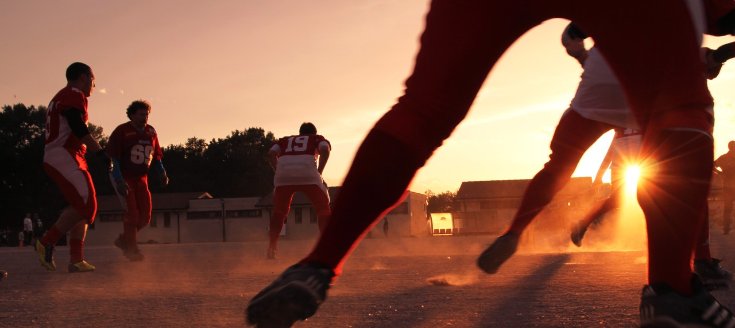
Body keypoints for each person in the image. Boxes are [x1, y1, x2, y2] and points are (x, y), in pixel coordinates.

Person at [246, 1, 735, 327]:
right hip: (629, 94)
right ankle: (674, 287)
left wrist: (583, 38)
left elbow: (572, 38)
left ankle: (317, 265)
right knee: (682, 115)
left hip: (590, 90)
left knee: (424, 110)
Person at [35, 62, 106, 273]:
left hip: (69, 154)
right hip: (63, 153)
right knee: (86, 202)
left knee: (83, 206)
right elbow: (77, 125)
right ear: (84, 77)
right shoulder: (74, 93)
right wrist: (100, 152)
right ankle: (47, 241)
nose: (94, 85)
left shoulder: (65, 96)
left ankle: (76, 259)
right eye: (93, 80)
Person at [107, 100, 168, 261]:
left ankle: (124, 240)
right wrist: (119, 179)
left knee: (146, 216)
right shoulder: (122, 131)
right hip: (124, 176)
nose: (145, 117)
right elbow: (114, 159)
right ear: (132, 114)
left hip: (142, 178)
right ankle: (132, 250)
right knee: (132, 214)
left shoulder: (151, 132)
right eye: (141, 114)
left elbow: (156, 156)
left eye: (147, 114)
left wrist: (162, 172)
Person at [265, 122, 331, 259]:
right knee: (323, 208)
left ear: (300, 133)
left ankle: (272, 248)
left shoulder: (284, 140)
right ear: (314, 133)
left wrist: (279, 171)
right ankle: (326, 247)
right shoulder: (316, 138)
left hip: (283, 176)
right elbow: (325, 150)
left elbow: (271, 154)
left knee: (279, 211)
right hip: (309, 174)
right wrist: (319, 172)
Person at [714, 140, 735, 235]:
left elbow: (713, 165)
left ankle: (726, 229)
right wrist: (720, 173)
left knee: (727, 209)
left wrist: (720, 173)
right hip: (728, 187)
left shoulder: (724, 158)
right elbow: (713, 165)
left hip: (727, 187)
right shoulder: (724, 158)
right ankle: (726, 229)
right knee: (727, 209)